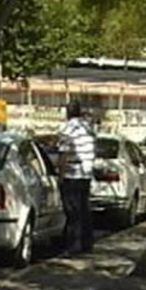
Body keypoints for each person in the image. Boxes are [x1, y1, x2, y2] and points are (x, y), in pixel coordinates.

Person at [58, 100, 96, 254]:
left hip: (72, 174)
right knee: (84, 209)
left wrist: (60, 175)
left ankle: (74, 245)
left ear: (67, 113)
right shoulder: (88, 128)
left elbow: (64, 154)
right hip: (85, 174)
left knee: (72, 212)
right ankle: (87, 243)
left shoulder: (67, 129)